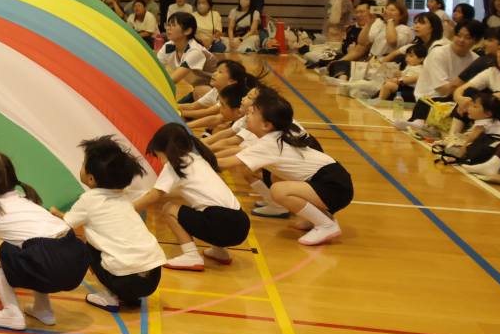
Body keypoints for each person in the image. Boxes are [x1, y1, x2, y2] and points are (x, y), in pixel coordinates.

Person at [0, 150, 87, 330]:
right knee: (31, 248)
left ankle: (11, 313)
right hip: (75, 260)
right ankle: (43, 309)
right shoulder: (25, 199)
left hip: (49, 262)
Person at [233, 89, 353, 245]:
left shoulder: (271, 143)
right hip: (334, 181)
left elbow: (229, 161)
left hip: (334, 186)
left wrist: (203, 156)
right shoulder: (276, 135)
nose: (248, 115)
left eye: (253, 113)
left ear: (266, 124)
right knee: (277, 177)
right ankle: (320, 217)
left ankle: (326, 225)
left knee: (279, 190)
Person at [63, 137, 166, 309]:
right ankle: (127, 295)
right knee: (108, 242)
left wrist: (54, 214)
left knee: (85, 246)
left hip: (125, 280)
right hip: (153, 277)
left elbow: (64, 226)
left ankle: (112, 297)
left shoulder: (89, 199)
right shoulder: (124, 196)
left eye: (83, 164)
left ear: (91, 179)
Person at [137, 123, 250, 271]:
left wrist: (130, 208)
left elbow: (154, 196)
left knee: (169, 209)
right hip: (240, 223)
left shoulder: (175, 164)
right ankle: (220, 252)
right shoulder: (197, 159)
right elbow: (172, 192)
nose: (161, 161)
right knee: (201, 208)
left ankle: (191, 256)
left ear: (167, 150)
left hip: (222, 224)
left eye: (159, 156)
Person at [158, 12, 212, 96]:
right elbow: (155, 67)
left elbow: (172, 80)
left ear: (187, 31)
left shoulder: (195, 51)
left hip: (217, 92)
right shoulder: (168, 46)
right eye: (168, 25)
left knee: (199, 91)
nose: (168, 28)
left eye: (173, 25)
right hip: (199, 90)